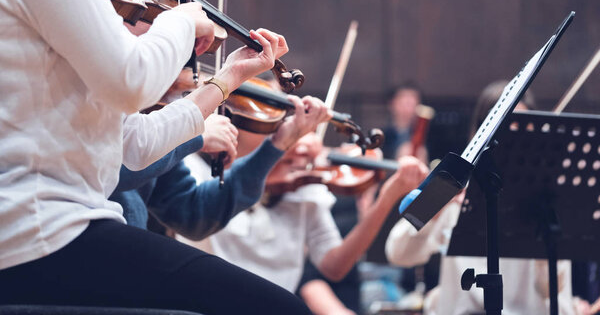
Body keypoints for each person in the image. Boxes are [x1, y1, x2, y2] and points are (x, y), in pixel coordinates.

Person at [0, 0, 312, 313]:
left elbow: (133, 143)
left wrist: (228, 80)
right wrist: (181, 18)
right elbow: (131, 82)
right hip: (39, 228)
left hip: (55, 229)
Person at [385, 80, 580, 315]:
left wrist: (542, 245)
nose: (511, 137)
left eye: (520, 127)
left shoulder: (544, 198)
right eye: (503, 127)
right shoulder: (455, 186)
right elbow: (397, 253)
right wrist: (434, 211)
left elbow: (552, 290)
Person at [183, 129, 429, 295]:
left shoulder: (304, 192)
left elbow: (335, 266)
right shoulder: (207, 180)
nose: (298, 155)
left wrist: (387, 198)